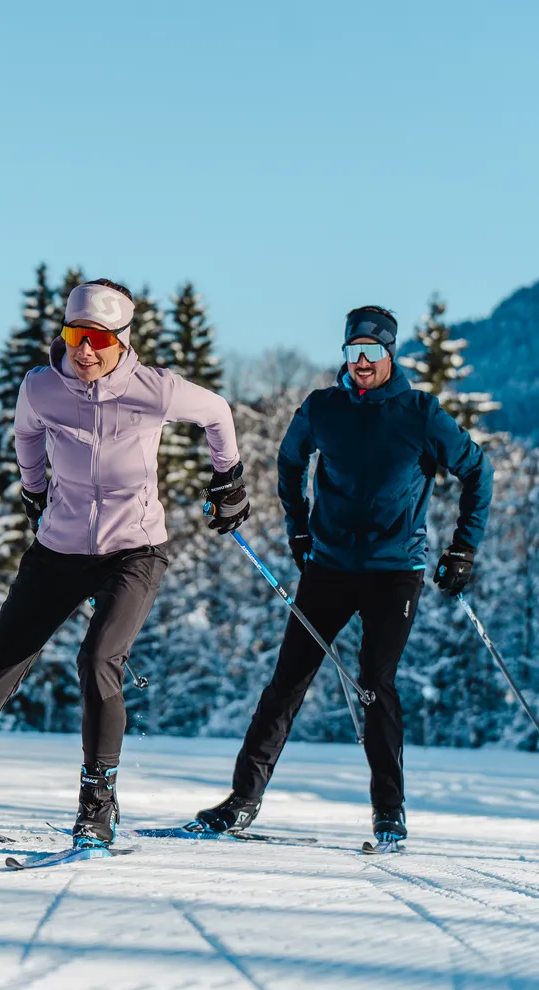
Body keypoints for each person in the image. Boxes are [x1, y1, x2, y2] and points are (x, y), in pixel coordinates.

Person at [0, 278, 250, 848]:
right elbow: (26, 435)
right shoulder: (42, 388)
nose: (86, 349)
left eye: (100, 338)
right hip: (59, 548)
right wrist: (33, 489)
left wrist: (228, 479)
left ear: (123, 341)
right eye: (77, 335)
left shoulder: (156, 390)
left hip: (135, 550)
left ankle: (98, 801)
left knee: (99, 658)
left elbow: (218, 413)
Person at [195, 305, 493, 843]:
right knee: (286, 683)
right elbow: (289, 463)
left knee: (375, 683)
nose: (361, 361)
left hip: (395, 571)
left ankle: (389, 811)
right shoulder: (322, 408)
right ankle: (242, 801)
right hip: (328, 567)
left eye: (372, 352)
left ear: (390, 354)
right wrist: (299, 528)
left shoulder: (420, 412)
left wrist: (463, 549)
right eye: (353, 351)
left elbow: (478, 471)